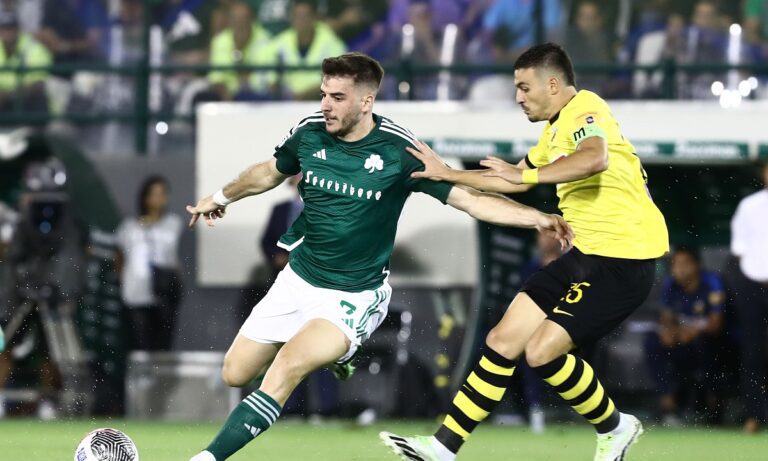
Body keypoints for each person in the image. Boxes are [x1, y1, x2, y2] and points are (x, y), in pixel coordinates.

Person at [185, 52, 572, 461]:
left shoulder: (399, 150)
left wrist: (536, 218)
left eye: (337, 97)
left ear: (366, 101)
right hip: (297, 279)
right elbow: (268, 171)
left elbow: (471, 200)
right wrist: (219, 197)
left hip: (351, 296)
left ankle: (206, 458)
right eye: (324, 94)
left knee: (286, 367)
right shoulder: (309, 132)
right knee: (235, 373)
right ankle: (335, 356)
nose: (326, 105)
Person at [380, 42, 668, 461]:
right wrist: (447, 173)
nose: (518, 96)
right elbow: (513, 179)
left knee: (540, 352)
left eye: (524, 87)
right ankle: (443, 448)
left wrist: (525, 176)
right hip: (585, 254)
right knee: (503, 338)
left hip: (623, 260)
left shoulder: (586, 109)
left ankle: (616, 426)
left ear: (552, 84)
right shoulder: (553, 132)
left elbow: (594, 159)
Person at [644, 246, 725, 426]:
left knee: (705, 344)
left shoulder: (712, 282)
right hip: (683, 343)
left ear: (697, 265)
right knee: (653, 341)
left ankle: (714, 407)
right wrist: (668, 330)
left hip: (712, 342)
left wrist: (693, 331)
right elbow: (666, 317)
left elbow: (716, 324)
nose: (680, 269)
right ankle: (668, 405)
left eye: (685, 263)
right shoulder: (670, 283)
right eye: (676, 264)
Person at [116, 176, 183, 351]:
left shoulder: (173, 224)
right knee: (140, 344)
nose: (158, 199)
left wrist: (176, 284)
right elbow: (120, 258)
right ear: (145, 197)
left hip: (164, 292)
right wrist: (124, 279)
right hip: (136, 293)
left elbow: (174, 257)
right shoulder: (129, 227)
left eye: (162, 194)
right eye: (154, 194)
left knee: (162, 345)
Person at [730, 161, 768, 433]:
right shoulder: (749, 205)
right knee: (753, 352)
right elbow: (739, 249)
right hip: (754, 285)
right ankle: (755, 415)